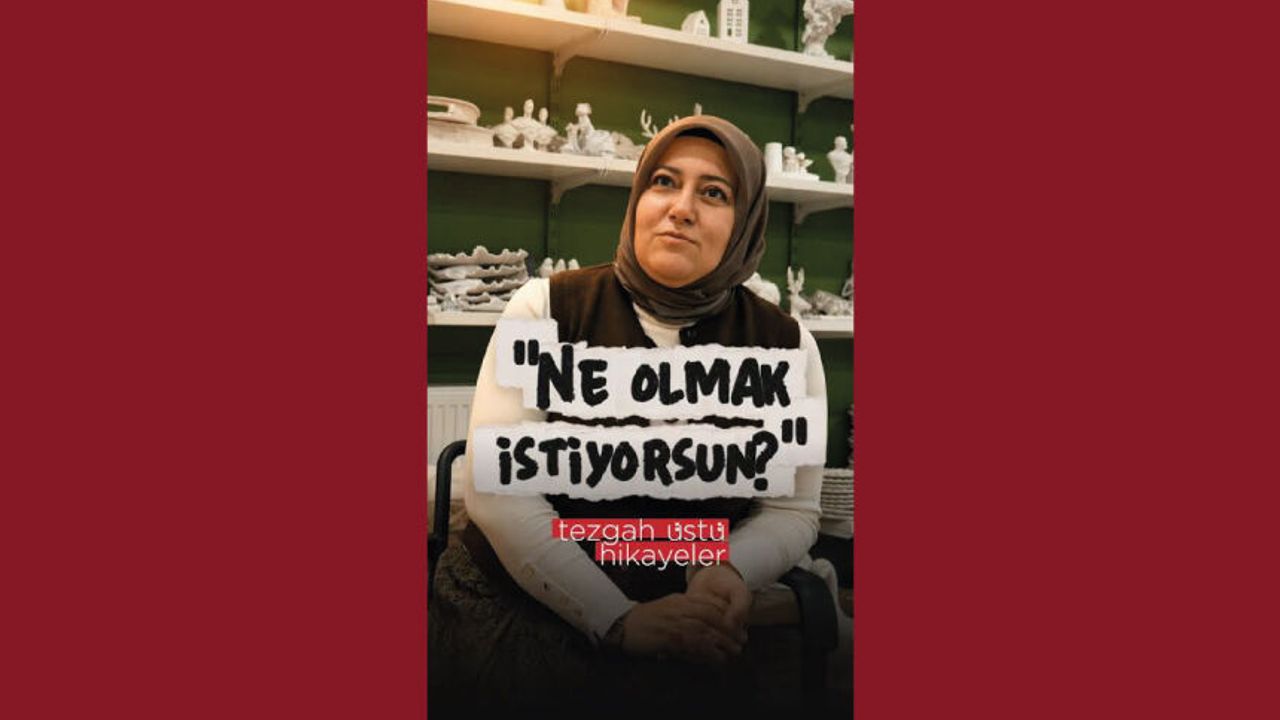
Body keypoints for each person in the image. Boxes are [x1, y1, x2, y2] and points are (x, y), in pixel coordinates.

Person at [429, 115, 828, 714]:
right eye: (664, 182)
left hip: (690, 615)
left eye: (714, 193)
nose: (681, 209)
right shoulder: (545, 309)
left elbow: (791, 510)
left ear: (746, 222)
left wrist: (728, 569)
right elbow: (501, 496)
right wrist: (616, 618)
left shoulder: (788, 347)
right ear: (638, 197)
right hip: (522, 607)